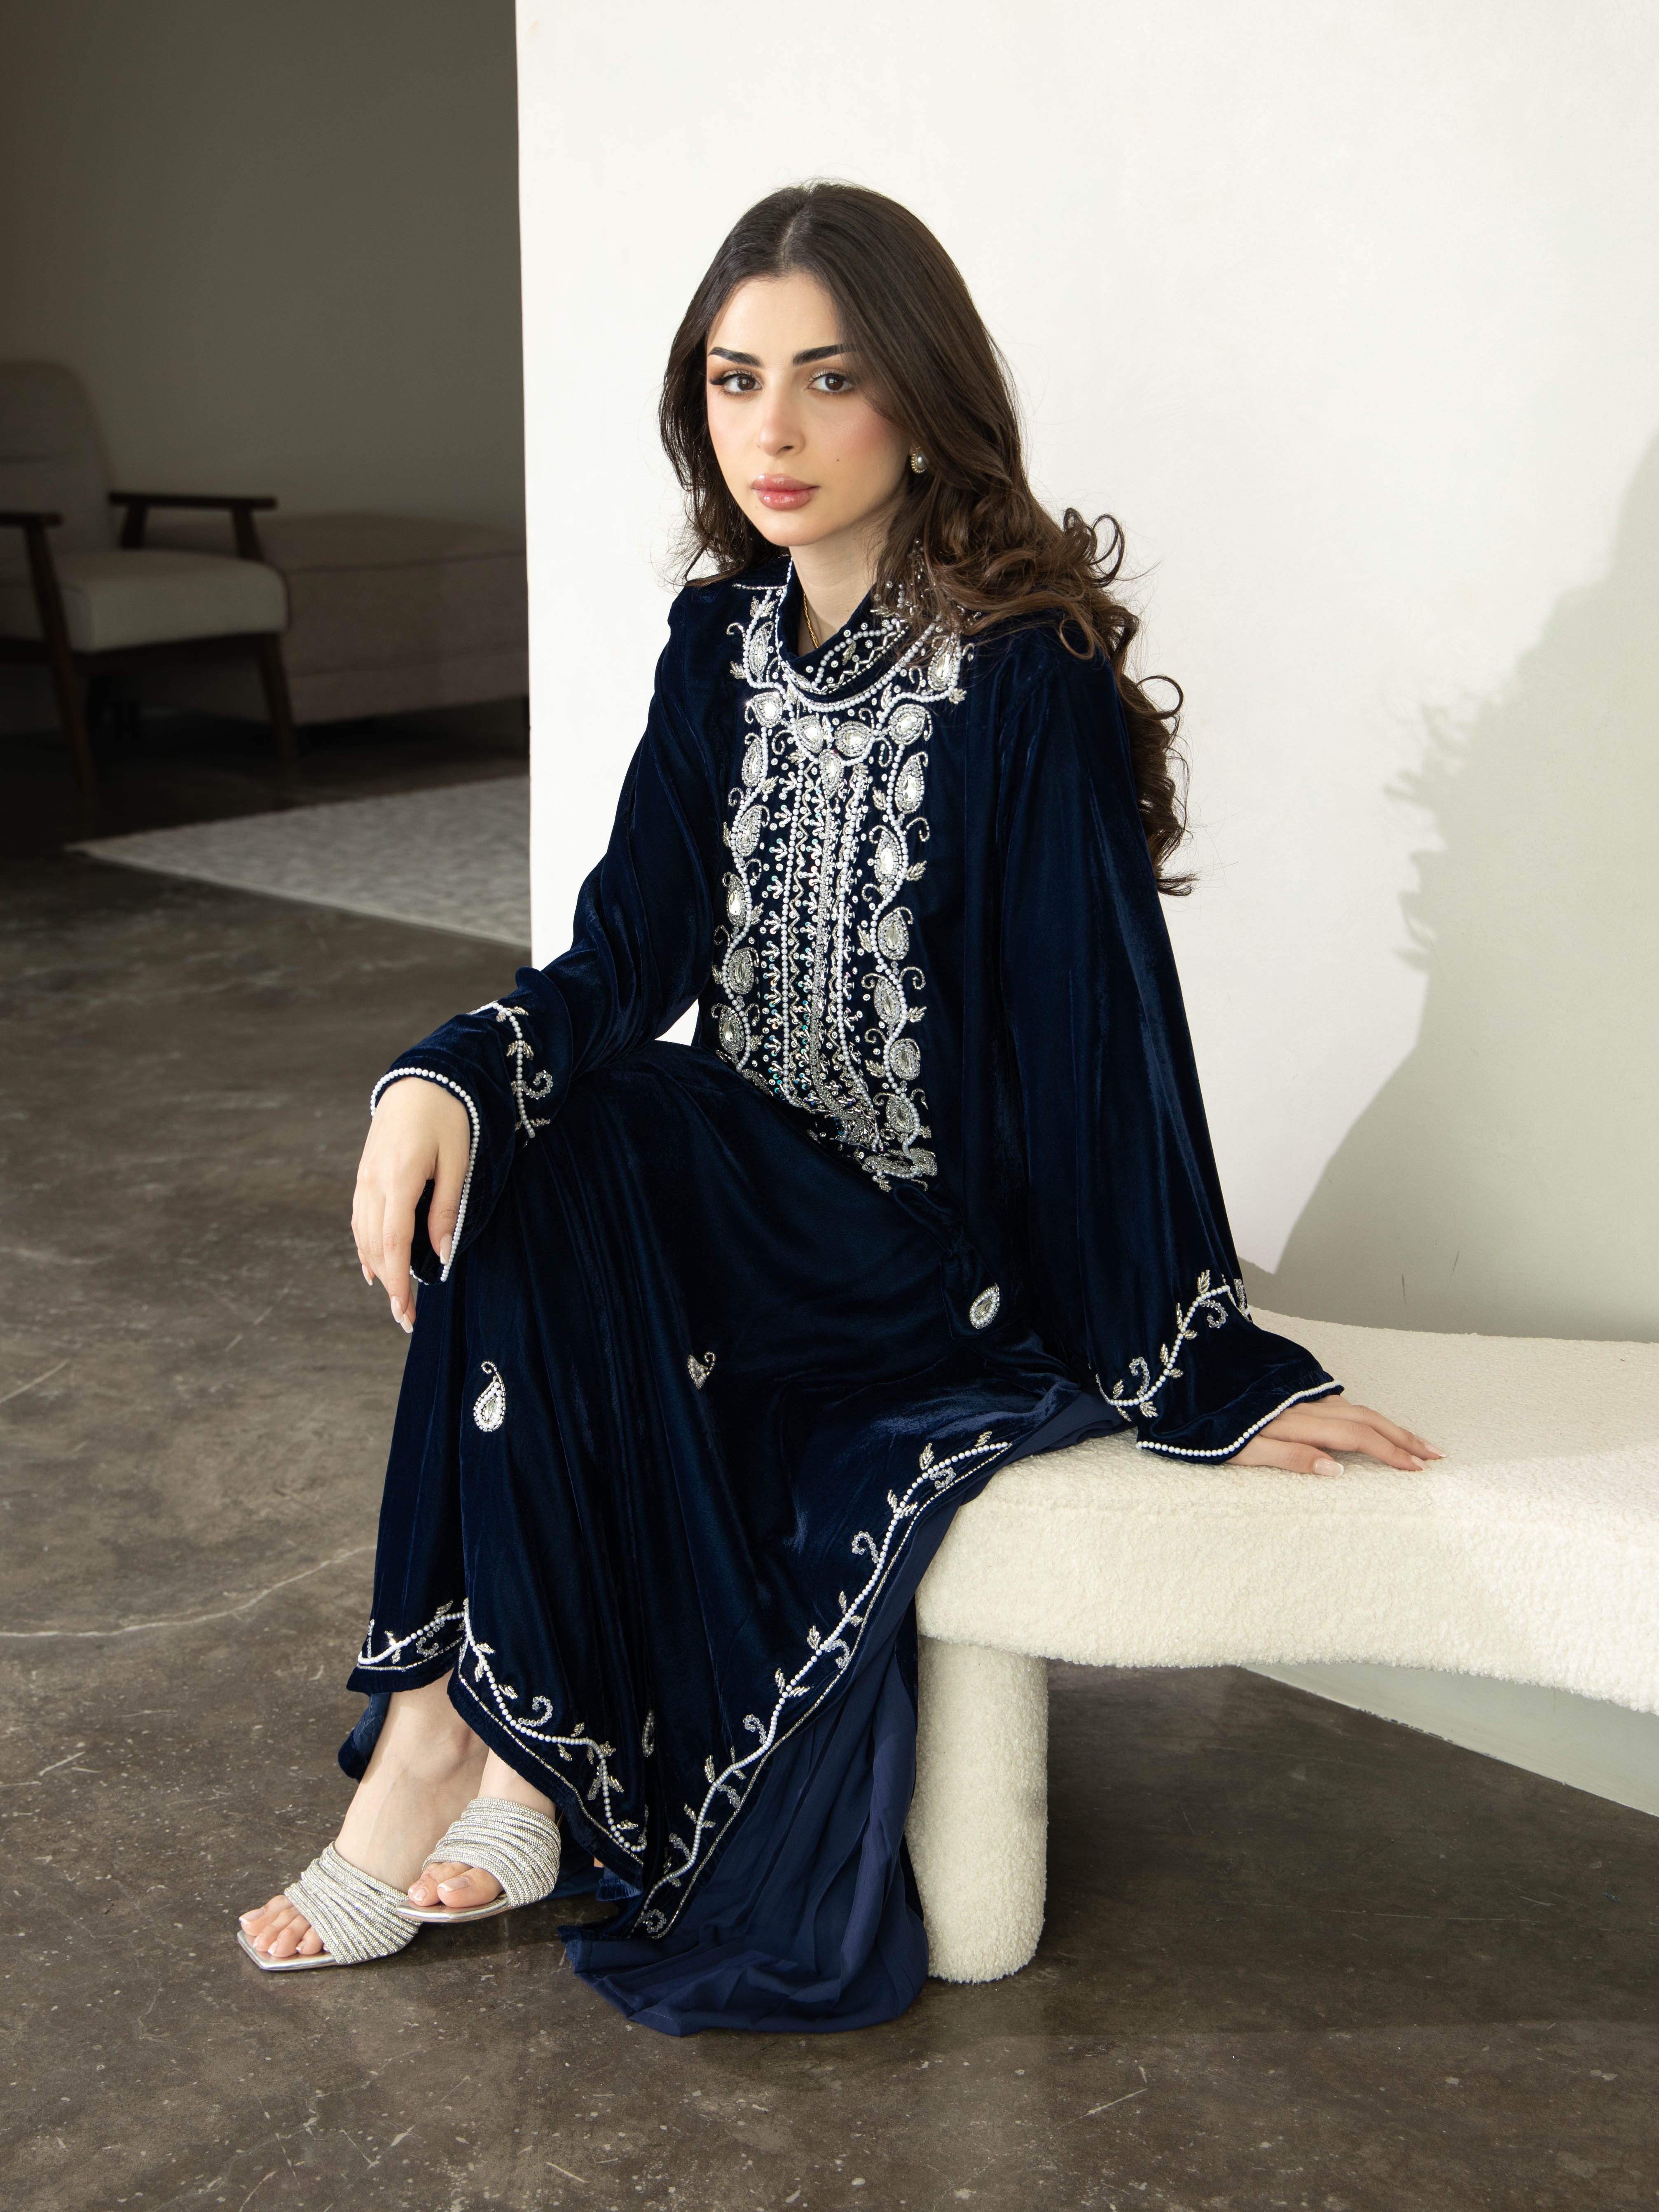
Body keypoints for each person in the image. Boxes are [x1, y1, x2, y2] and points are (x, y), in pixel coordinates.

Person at [237, 182, 1438, 2032]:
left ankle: (452, 1747)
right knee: (541, 1122)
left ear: (921, 402)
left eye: (829, 377)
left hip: (931, 1267)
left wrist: (1199, 1358)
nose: (774, 432)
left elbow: (1101, 1034)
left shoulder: (1021, 671)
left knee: (594, 1131)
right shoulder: (717, 644)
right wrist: (444, 1072)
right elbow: (629, 944)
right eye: (735, 382)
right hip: (752, 1215)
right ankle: (483, 1753)